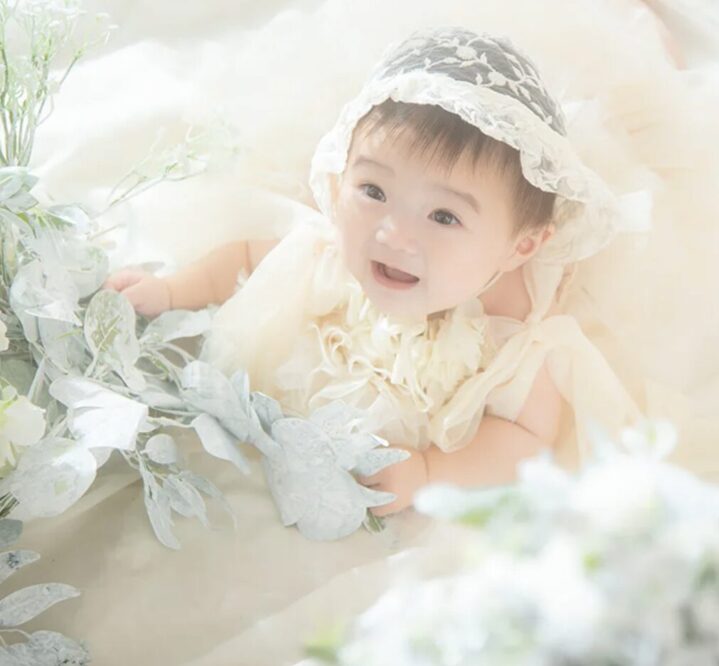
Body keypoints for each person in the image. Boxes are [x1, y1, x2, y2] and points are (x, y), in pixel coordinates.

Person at [103, 27, 646, 517]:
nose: (394, 235)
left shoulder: (510, 335)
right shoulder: (332, 255)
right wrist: (172, 290)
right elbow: (246, 258)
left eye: (444, 216)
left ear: (519, 248)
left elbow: (526, 436)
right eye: (374, 191)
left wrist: (431, 471)